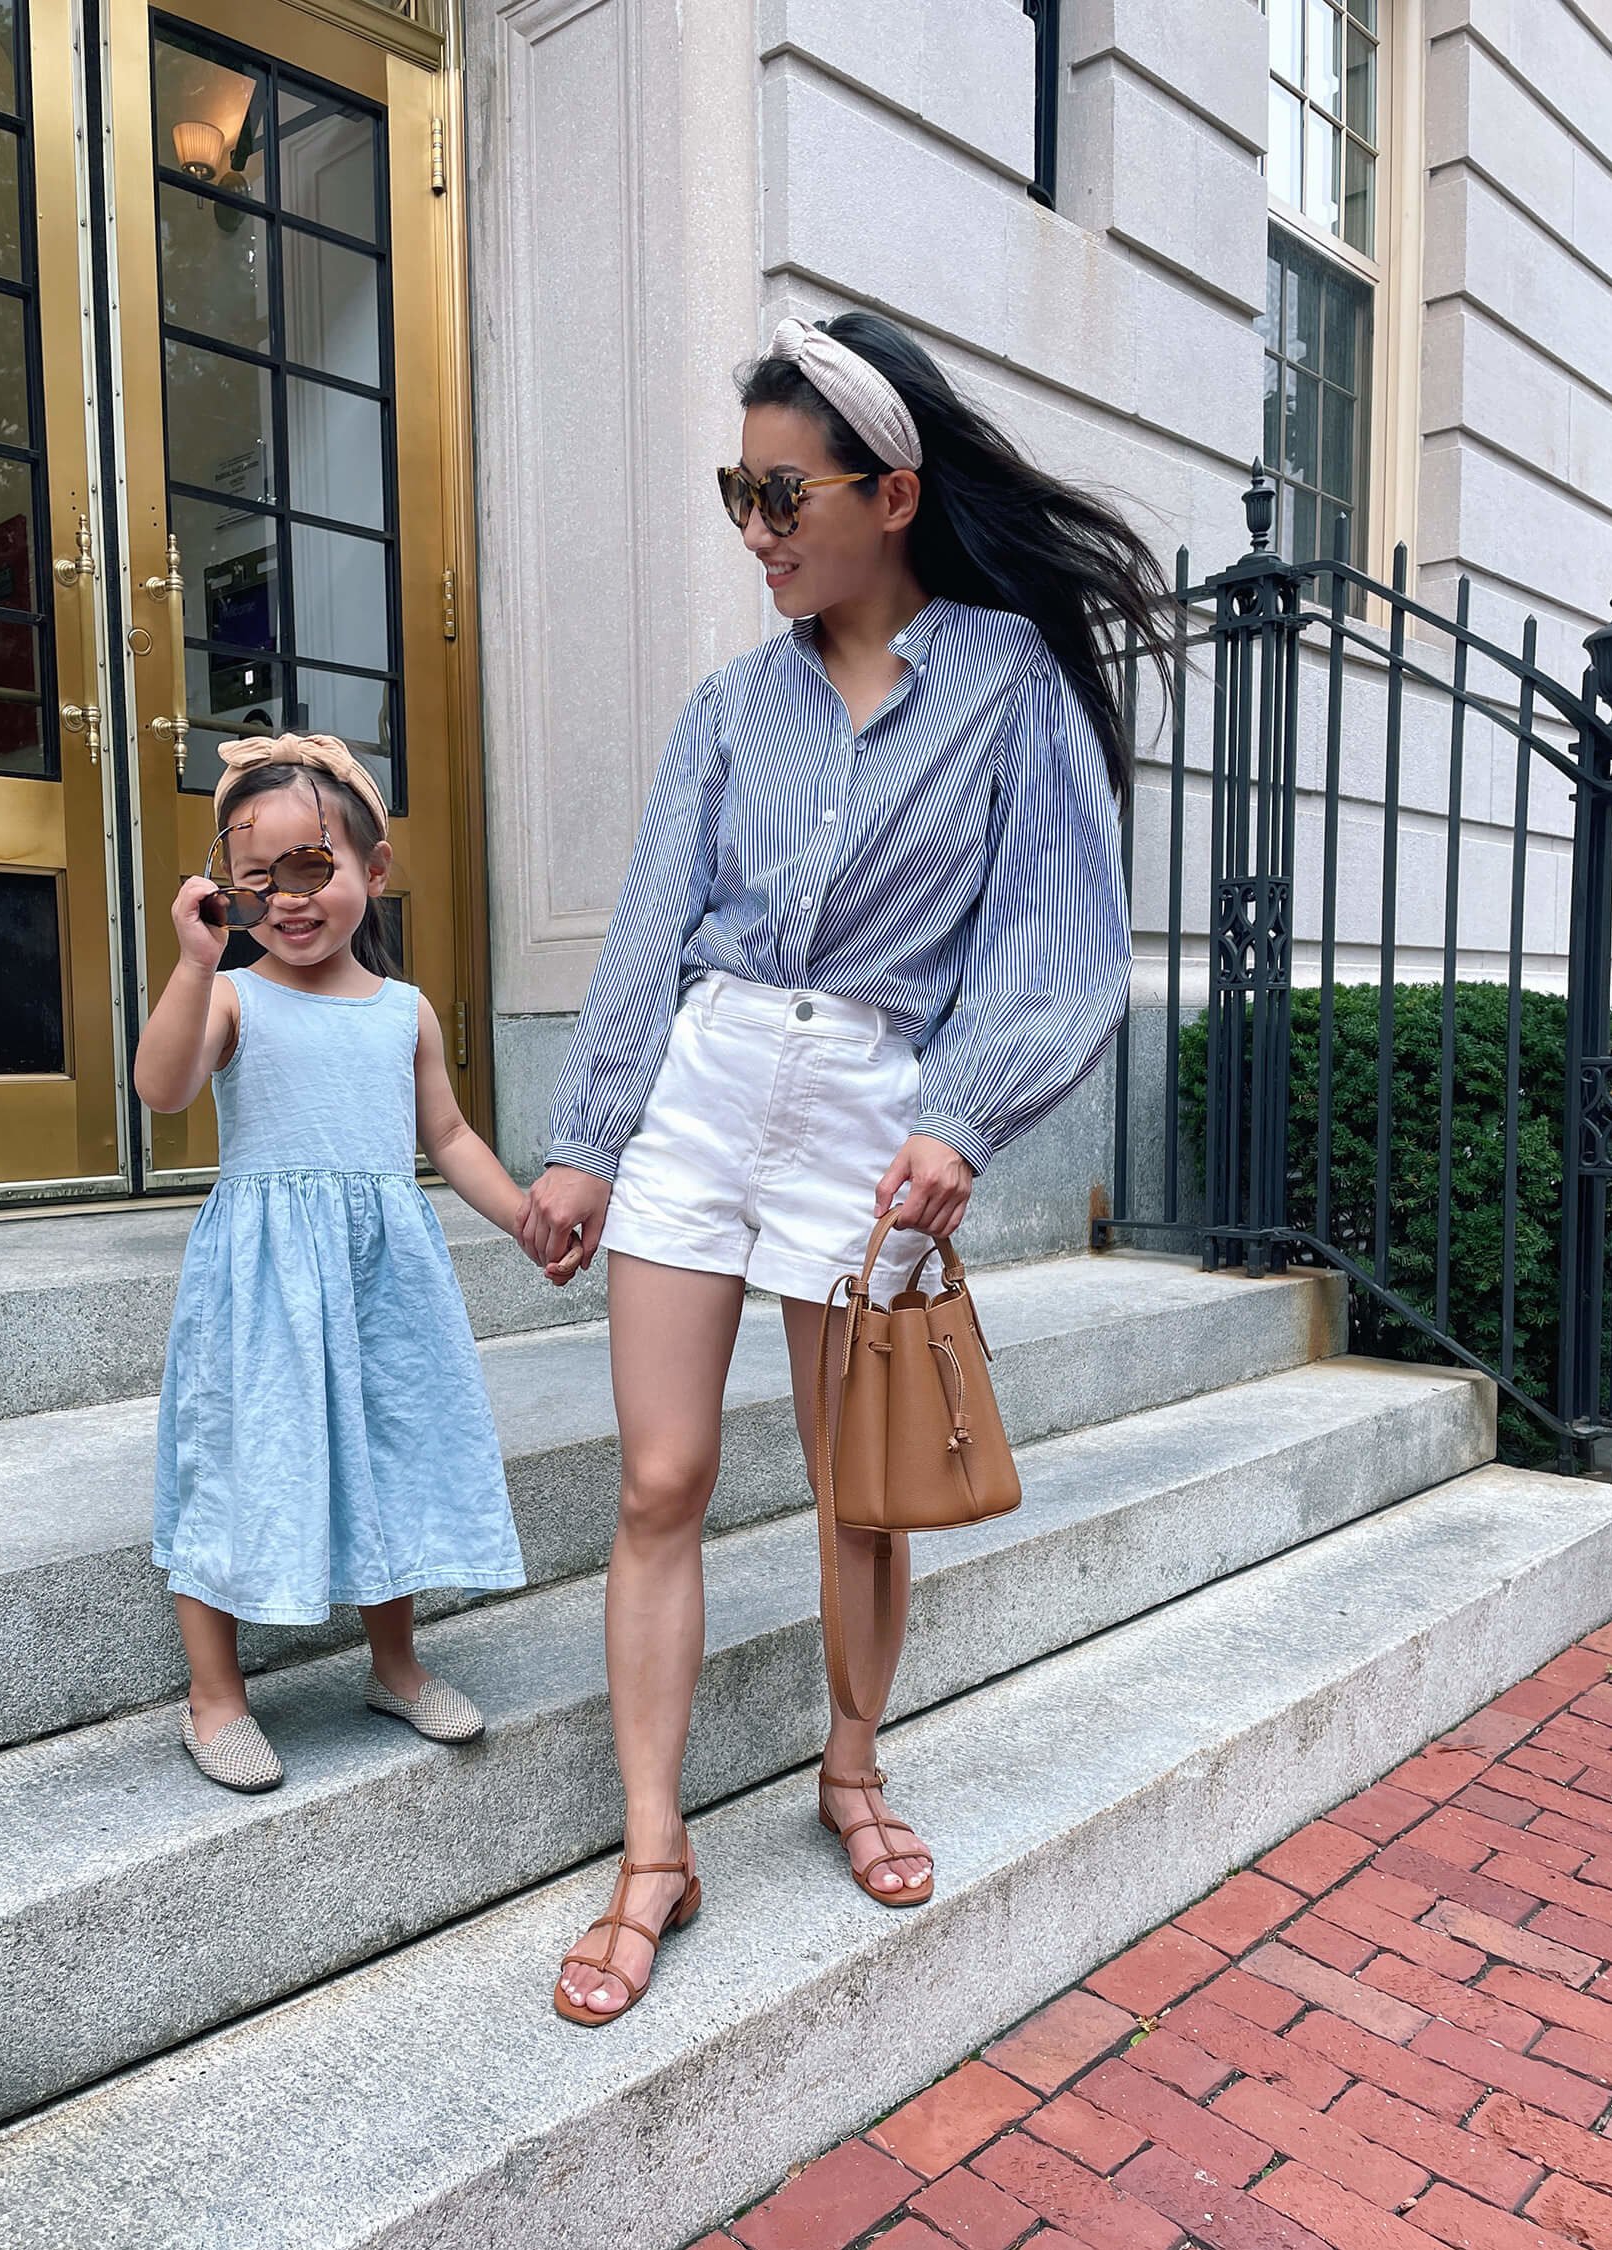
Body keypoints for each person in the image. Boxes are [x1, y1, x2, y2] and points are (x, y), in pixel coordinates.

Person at [522, 311, 1168, 2023]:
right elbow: (654, 923)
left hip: (871, 1110)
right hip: (710, 1083)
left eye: (777, 489)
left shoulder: (1002, 680)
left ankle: (851, 1765)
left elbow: (1053, 928)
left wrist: (959, 1119)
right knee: (658, 1480)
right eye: (733, 489)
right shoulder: (729, 706)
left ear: (888, 492)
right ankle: (652, 1847)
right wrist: (588, 1138)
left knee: (854, 1483)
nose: (752, 524)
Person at [137, 733, 568, 1791]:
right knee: (239, 1461)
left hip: (382, 1279)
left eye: (313, 869)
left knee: (391, 1454)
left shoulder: (403, 1011)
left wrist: (521, 1216)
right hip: (267, 1281)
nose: (288, 900)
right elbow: (162, 1090)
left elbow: (451, 1137)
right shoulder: (235, 995)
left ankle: (396, 1662)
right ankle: (215, 1692)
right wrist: (194, 965)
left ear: (373, 873)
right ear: (226, 894)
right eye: (257, 879)